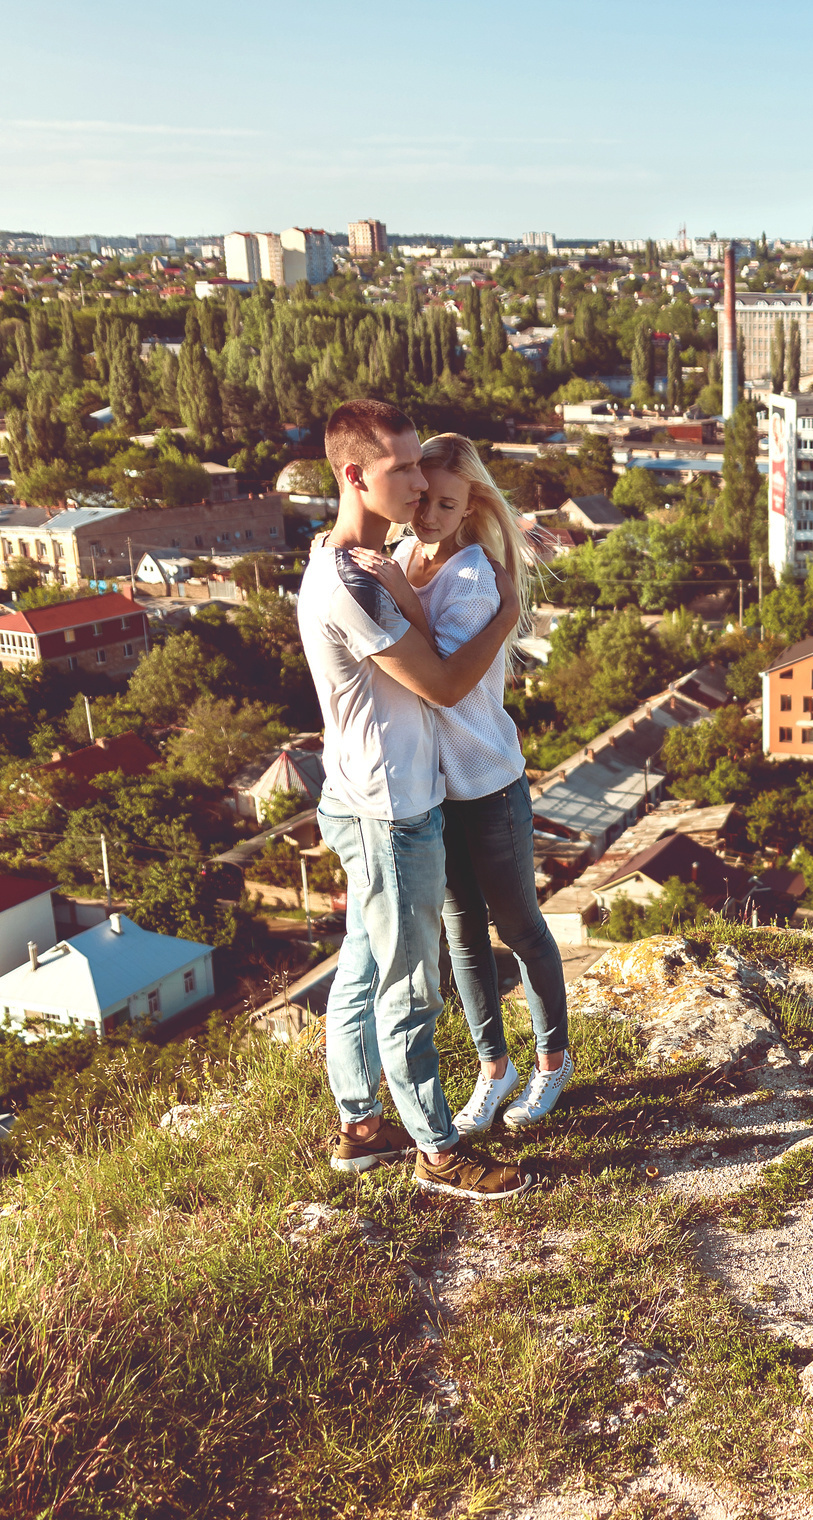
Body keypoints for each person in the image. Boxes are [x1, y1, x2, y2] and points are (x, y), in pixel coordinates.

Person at [297, 398, 526, 1198]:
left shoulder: (359, 562)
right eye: (402, 469)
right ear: (355, 475)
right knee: (408, 985)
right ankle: (439, 1150)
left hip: (365, 795)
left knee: (363, 964)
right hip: (391, 809)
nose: (419, 479)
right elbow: (446, 682)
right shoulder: (351, 586)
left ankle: (361, 1126)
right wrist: (507, 614)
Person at [383, 434, 572, 1133]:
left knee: (520, 925)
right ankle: (495, 1068)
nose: (428, 514)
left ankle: (553, 1061)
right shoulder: (405, 555)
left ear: (471, 507)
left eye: (446, 504)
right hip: (433, 791)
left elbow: (441, 680)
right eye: (422, 500)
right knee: (460, 936)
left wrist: (398, 589)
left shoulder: (472, 578)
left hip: (488, 784)